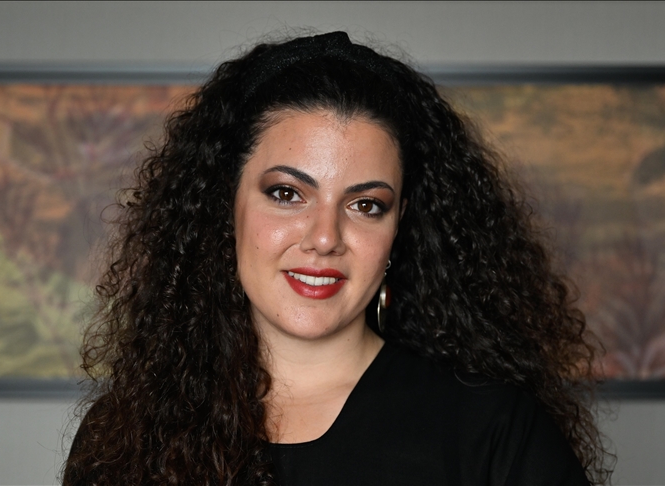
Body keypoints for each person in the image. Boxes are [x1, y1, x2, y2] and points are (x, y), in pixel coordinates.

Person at [63, 32, 611, 485]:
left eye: (366, 205)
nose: (325, 238)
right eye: (287, 194)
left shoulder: (496, 431)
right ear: (223, 205)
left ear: (400, 227)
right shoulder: (125, 435)